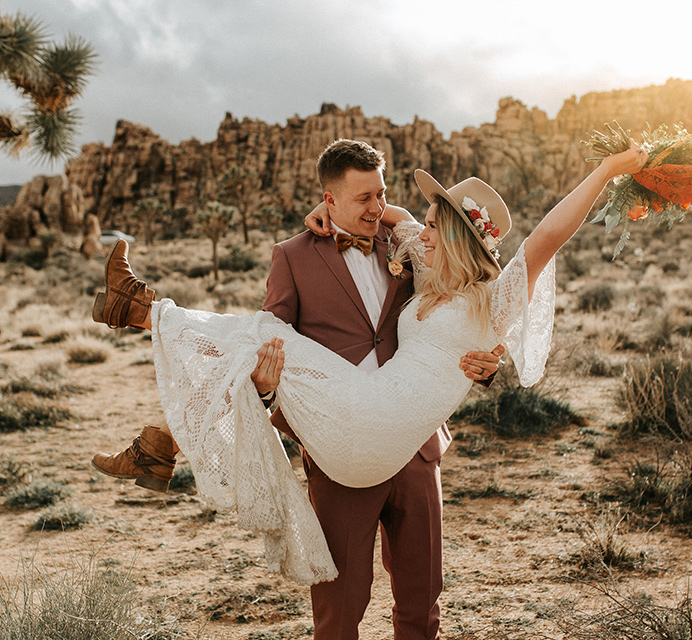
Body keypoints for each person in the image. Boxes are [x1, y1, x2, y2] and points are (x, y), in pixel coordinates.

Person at [92, 139, 503, 640]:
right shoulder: (292, 257)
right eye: (363, 199)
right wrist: (264, 389)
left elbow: (460, 314)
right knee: (339, 606)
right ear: (329, 200)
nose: (377, 208)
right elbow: (271, 342)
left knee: (422, 598)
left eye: (382, 194)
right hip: (338, 448)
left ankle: (153, 402)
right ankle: (159, 415)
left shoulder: (413, 248)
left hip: (417, 447)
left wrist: (485, 366)